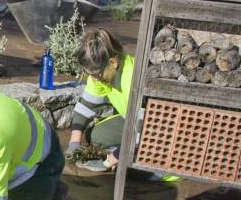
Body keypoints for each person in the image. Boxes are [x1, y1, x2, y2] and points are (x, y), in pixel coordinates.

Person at [66, 29, 175, 181]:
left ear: (113, 62)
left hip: (159, 133)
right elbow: (85, 107)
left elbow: (143, 132)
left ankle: (163, 171)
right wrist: (74, 142)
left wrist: (108, 161)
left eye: (96, 74)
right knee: (95, 136)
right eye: (88, 74)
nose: (94, 79)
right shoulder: (100, 74)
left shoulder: (135, 80)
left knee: (129, 170)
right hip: (132, 122)